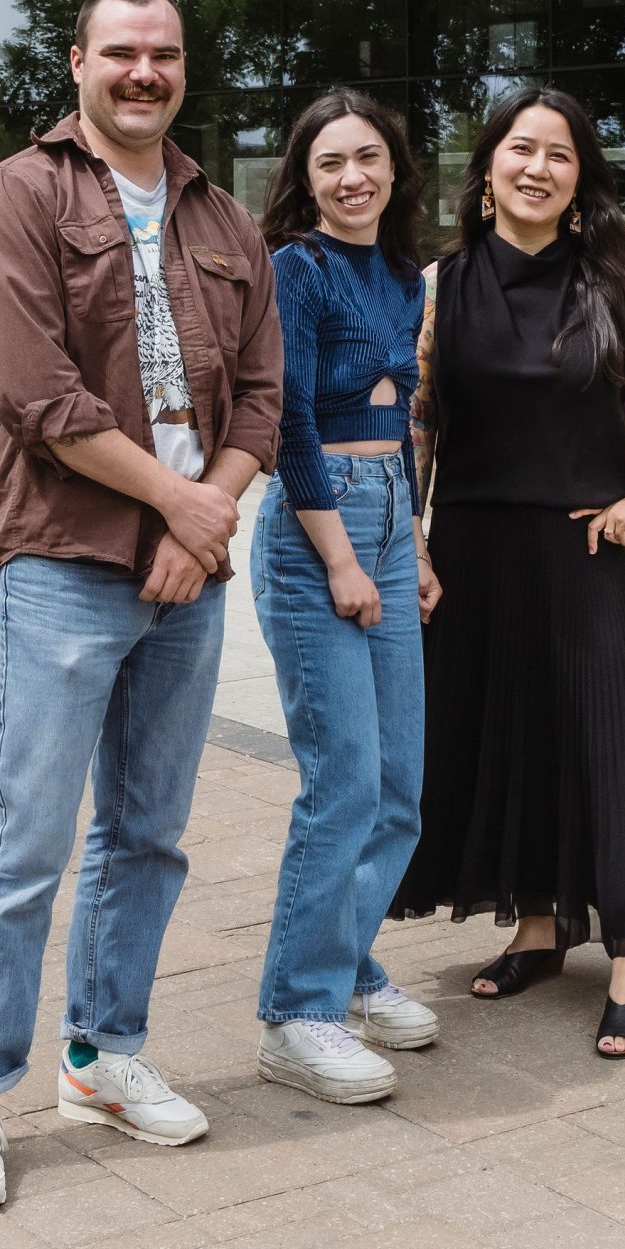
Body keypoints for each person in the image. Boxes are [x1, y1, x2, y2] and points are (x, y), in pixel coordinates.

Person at [0, 0, 283, 1208]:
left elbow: (263, 404)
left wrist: (207, 511)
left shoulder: (225, 217)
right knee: (24, 847)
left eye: (164, 54)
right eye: (121, 53)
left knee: (147, 836)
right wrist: (176, 506)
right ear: (76, 64)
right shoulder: (17, 197)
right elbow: (35, 393)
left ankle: (100, 1056)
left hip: (191, 571)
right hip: (66, 565)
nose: (145, 72)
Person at [392, 84, 625, 1060]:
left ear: (578, 181)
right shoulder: (442, 281)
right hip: (475, 551)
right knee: (507, 737)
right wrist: (412, 538)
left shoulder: (609, 275)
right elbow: (422, 417)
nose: (536, 167)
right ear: (487, 170)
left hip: (583, 548)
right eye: (519, 150)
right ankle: (537, 926)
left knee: (603, 742)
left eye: (558, 155)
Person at [248, 91, 441, 1105]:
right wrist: (341, 560)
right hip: (311, 528)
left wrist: (407, 541)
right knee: (344, 786)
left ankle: (351, 971)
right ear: (305, 178)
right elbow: (283, 424)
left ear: (395, 170)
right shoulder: (296, 270)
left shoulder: (404, 278)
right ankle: (297, 1013)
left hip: (386, 525)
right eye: (330, 164)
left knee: (401, 784)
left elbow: (404, 420)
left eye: (368, 158)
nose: (351, 177)